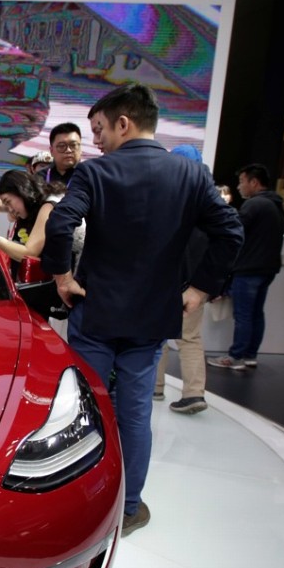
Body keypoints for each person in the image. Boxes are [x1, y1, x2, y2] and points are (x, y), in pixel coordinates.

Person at [41, 83, 243, 537]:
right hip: (153, 319)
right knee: (135, 414)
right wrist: (199, 290)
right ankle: (129, 507)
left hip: (95, 316)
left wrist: (62, 278)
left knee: (88, 410)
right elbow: (231, 233)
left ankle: (84, 504)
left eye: (99, 130)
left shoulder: (95, 174)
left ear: (124, 123)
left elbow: (60, 223)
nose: (97, 141)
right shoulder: (191, 176)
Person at [207, 163, 284, 370]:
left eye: (242, 182)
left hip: (249, 269)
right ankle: (250, 355)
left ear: (254, 182)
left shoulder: (254, 205)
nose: (239, 187)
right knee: (256, 313)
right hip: (267, 268)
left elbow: (234, 232)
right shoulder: (275, 204)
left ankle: (236, 356)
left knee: (243, 315)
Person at [154, 145, 211, 414]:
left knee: (159, 334)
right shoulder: (209, 199)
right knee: (189, 338)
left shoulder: (169, 197)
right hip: (196, 283)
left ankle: (156, 387)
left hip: (172, 279)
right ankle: (193, 392)